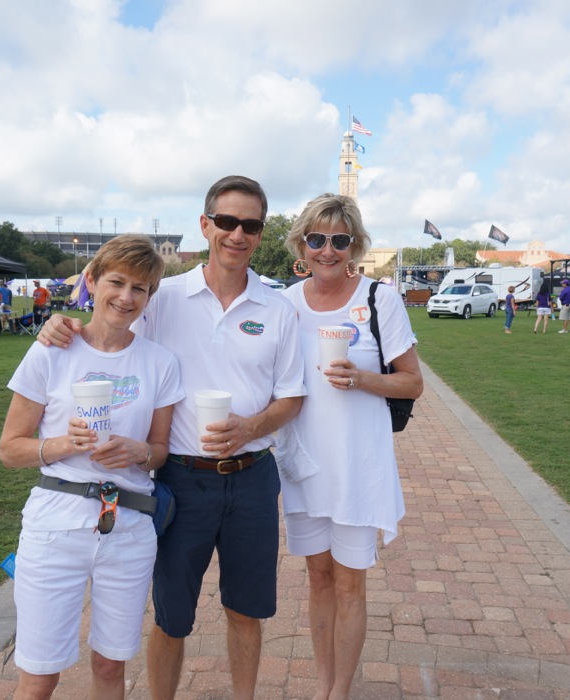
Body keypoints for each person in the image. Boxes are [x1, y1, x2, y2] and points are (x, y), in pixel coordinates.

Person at [37, 175, 306, 700]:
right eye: (226, 221)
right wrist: (59, 324)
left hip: (252, 478)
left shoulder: (279, 307)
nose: (237, 234)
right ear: (205, 225)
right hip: (180, 478)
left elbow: (292, 397)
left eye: (250, 225)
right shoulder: (165, 296)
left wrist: (249, 428)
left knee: (246, 610)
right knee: (172, 615)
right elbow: (109, 330)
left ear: (260, 232)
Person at [0, 235, 184, 700]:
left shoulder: (159, 362)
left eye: (140, 289)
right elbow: (10, 449)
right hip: (55, 525)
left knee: (109, 665)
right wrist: (64, 443)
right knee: (40, 675)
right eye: (116, 282)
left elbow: (160, 450)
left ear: (150, 297)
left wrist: (137, 452)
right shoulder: (52, 349)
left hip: (128, 527)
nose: (126, 297)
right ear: (91, 281)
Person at [275, 193, 423, 700]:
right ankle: (323, 686)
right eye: (316, 239)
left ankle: (341, 691)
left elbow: (412, 383)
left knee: (349, 583)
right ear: (301, 243)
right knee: (317, 578)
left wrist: (363, 379)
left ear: (355, 245)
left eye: (339, 240)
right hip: (305, 465)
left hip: (359, 467)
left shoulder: (381, 299)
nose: (327, 250)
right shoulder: (287, 303)